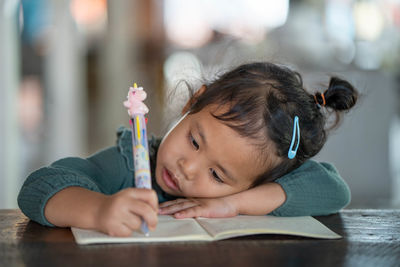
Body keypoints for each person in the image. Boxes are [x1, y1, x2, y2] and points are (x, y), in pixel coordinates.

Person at [18, 62, 358, 237]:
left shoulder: (254, 182)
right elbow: (40, 186)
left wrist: (231, 204)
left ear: (250, 184)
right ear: (192, 103)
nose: (187, 167)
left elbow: (331, 188)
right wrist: (98, 211)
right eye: (195, 141)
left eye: (216, 175)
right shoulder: (128, 162)